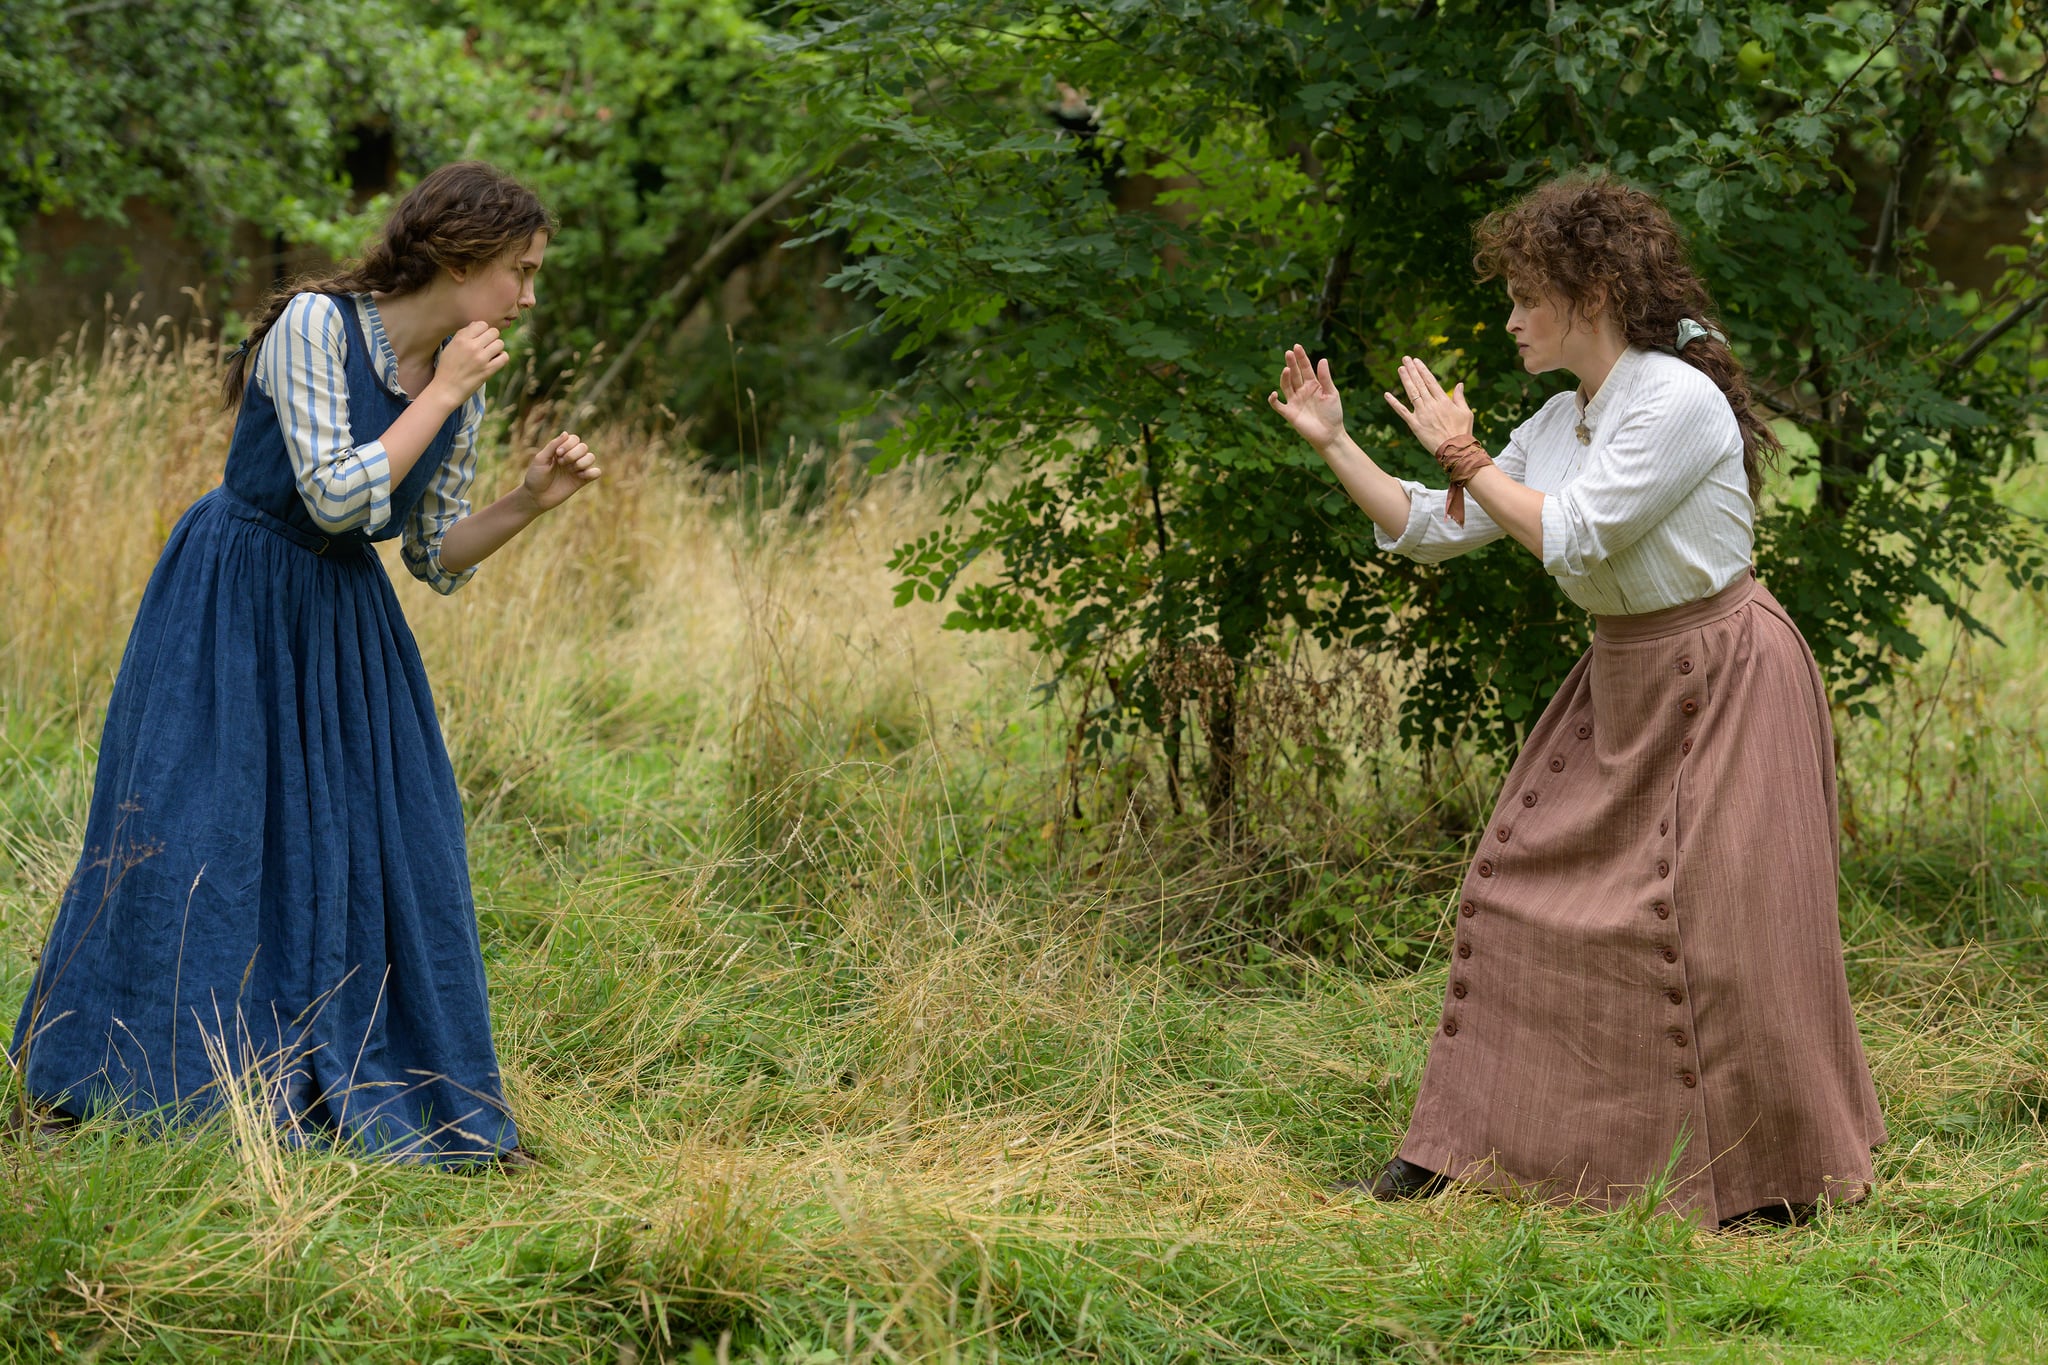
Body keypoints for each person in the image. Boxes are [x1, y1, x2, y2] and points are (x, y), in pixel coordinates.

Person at [1267, 174, 1885, 1227]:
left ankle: (1765, 1181)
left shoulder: (1674, 401)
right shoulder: (1559, 417)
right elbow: (1437, 527)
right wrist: (1335, 442)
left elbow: (1573, 532)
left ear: (1589, 293)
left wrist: (1461, 451)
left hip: (1726, 673)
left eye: (1524, 298)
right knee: (1511, 895)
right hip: (1623, 674)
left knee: (1726, 933)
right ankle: (1464, 1149)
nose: (1507, 320)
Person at [10, 161, 601, 1166]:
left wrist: (527, 505)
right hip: (232, 594)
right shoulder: (317, 328)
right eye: (519, 270)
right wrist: (447, 388)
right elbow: (334, 497)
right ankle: (117, 1081)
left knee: (389, 839)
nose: (528, 296)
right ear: (459, 258)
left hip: (341, 618)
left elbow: (429, 552)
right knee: (199, 828)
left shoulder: (458, 386)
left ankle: (367, 1081)